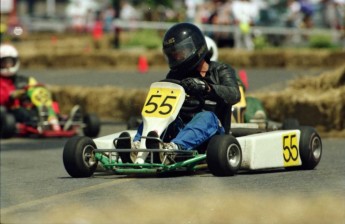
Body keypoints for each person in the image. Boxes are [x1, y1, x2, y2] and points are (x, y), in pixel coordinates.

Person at [131, 23, 241, 151]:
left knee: (206, 116)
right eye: (173, 54)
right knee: (158, 117)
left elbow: (234, 94)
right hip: (181, 128)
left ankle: (175, 148)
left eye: (181, 52)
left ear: (196, 47)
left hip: (213, 133)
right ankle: (138, 145)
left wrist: (206, 87)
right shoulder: (175, 75)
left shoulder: (221, 70)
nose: (176, 57)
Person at [0, 43, 61, 131]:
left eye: (10, 62)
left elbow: (35, 89)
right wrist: (11, 96)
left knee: (43, 102)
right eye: (4, 63)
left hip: (26, 107)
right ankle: (36, 123)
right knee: (20, 112)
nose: (8, 65)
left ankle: (55, 118)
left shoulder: (25, 80)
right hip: (9, 110)